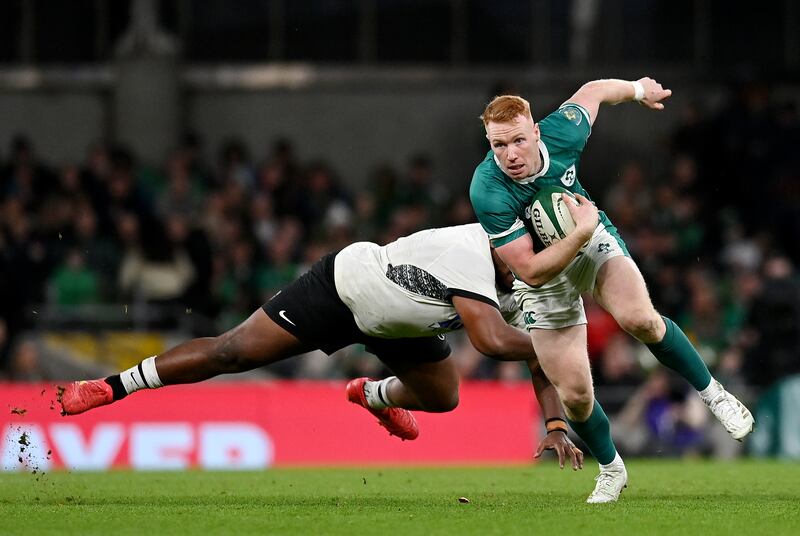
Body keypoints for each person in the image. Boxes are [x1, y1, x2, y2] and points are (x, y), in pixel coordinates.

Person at [60, 223, 585, 470]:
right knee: (231, 353)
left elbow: (534, 353)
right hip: (346, 287)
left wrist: (557, 423)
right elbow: (495, 342)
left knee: (444, 398)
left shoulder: (527, 284)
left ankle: (372, 396)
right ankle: (109, 387)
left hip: (399, 327)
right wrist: (551, 347)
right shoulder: (475, 248)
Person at [470, 78, 754, 503]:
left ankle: (714, 394)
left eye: (517, 141)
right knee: (576, 397)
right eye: (498, 145)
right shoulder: (487, 188)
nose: (509, 155)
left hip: (590, 244)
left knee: (640, 318)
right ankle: (611, 468)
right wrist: (579, 229)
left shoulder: (564, 129)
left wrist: (640, 90)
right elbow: (529, 270)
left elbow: (594, 90)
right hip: (544, 277)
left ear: (535, 131)